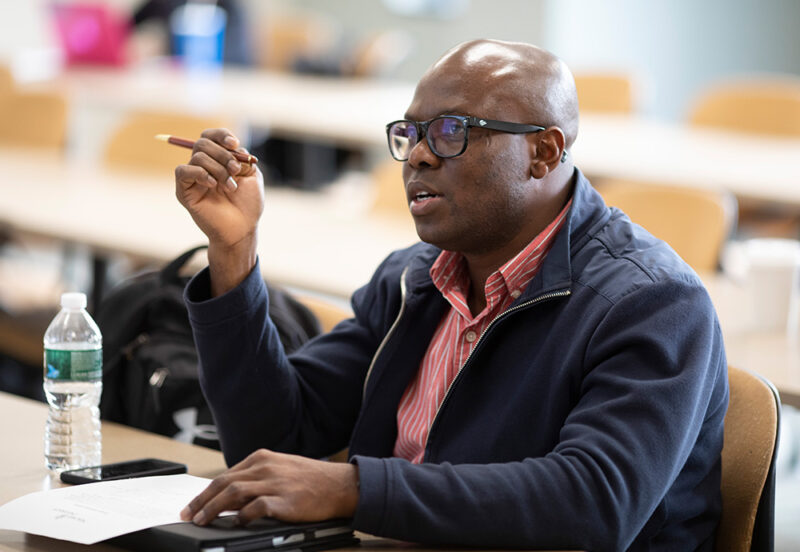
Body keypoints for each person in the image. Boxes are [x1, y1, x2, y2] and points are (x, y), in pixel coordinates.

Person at [174, 39, 728, 551]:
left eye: (451, 131)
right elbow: (271, 438)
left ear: (543, 152)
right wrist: (234, 250)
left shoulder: (653, 302)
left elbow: (596, 499)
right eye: (411, 133)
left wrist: (356, 490)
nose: (418, 156)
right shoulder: (413, 280)